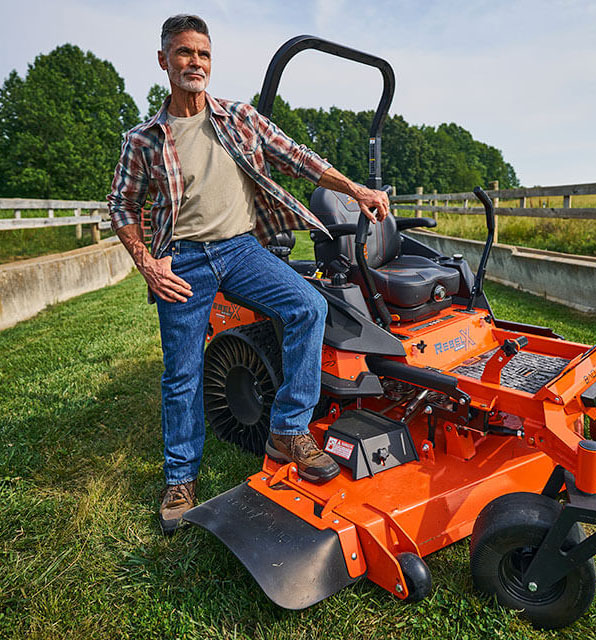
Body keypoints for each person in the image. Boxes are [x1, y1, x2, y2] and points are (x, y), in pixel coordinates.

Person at [107, 14, 389, 534]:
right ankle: (180, 478)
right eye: (185, 53)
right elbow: (122, 206)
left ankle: (287, 428)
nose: (195, 63)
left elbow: (300, 159)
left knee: (308, 305)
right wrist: (148, 263)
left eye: (204, 54)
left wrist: (358, 191)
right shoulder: (144, 139)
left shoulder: (238, 117)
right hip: (184, 260)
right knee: (183, 372)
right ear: (164, 60)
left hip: (241, 249)